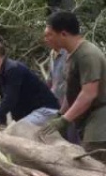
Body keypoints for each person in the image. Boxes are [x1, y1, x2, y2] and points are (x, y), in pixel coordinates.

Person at [42, 11, 106, 161]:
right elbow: (70, 92)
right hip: (88, 120)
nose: (46, 39)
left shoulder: (87, 54)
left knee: (93, 164)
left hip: (100, 122)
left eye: (50, 35)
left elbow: (88, 94)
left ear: (63, 34)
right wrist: (61, 114)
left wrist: (65, 120)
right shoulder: (71, 55)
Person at [0, 41, 60, 126]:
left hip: (45, 110)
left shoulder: (13, 70)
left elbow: (10, 99)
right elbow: (5, 100)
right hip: (31, 113)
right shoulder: (2, 72)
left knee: (18, 129)